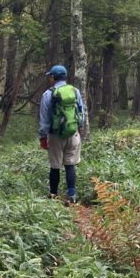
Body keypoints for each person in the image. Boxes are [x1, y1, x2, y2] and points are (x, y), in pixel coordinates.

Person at [38, 64, 85, 202]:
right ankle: (72, 195)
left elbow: (44, 119)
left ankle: (53, 194)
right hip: (73, 132)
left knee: (55, 165)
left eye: (50, 76)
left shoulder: (48, 94)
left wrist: (42, 136)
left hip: (55, 135)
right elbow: (81, 113)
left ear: (53, 77)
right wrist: (79, 128)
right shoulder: (75, 91)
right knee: (70, 164)